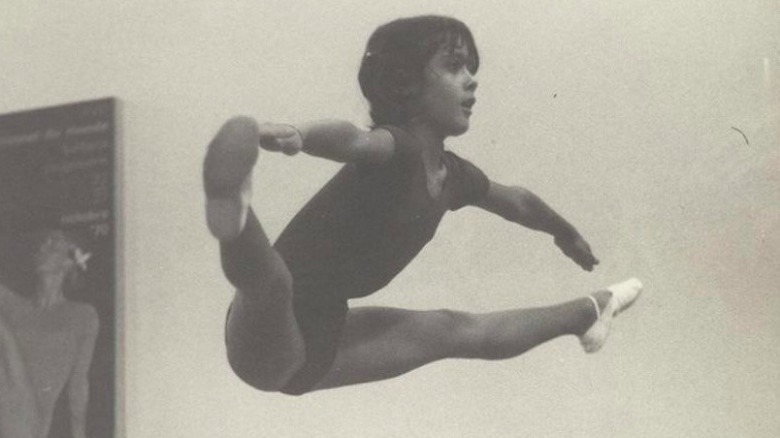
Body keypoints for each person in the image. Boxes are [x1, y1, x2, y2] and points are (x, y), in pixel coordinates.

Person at [202, 15, 643, 396]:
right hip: (266, 340)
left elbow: (517, 201)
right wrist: (300, 135)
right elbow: (353, 140)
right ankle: (234, 209)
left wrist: (561, 230)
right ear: (405, 84)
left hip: (326, 340)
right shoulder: (399, 149)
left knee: (453, 328)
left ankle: (591, 308)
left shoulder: (453, 177)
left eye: (471, 67)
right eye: (454, 66)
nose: (472, 79)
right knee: (274, 282)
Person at [0, 229, 99, 438]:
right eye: (42, 244)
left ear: (69, 263)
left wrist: (79, 434)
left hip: (29, 422)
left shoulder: (82, 316)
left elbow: (78, 384)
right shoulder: (14, 305)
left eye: (53, 246)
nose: (43, 249)